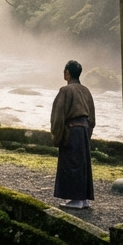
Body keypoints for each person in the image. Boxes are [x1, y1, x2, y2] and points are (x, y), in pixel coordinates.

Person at [51, 59, 96, 209]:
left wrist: (57, 136)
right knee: (82, 164)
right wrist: (87, 133)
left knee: (71, 164)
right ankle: (83, 199)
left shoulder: (65, 91)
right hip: (83, 130)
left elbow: (58, 116)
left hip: (70, 131)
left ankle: (76, 199)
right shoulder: (86, 91)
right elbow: (92, 117)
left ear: (67, 73)